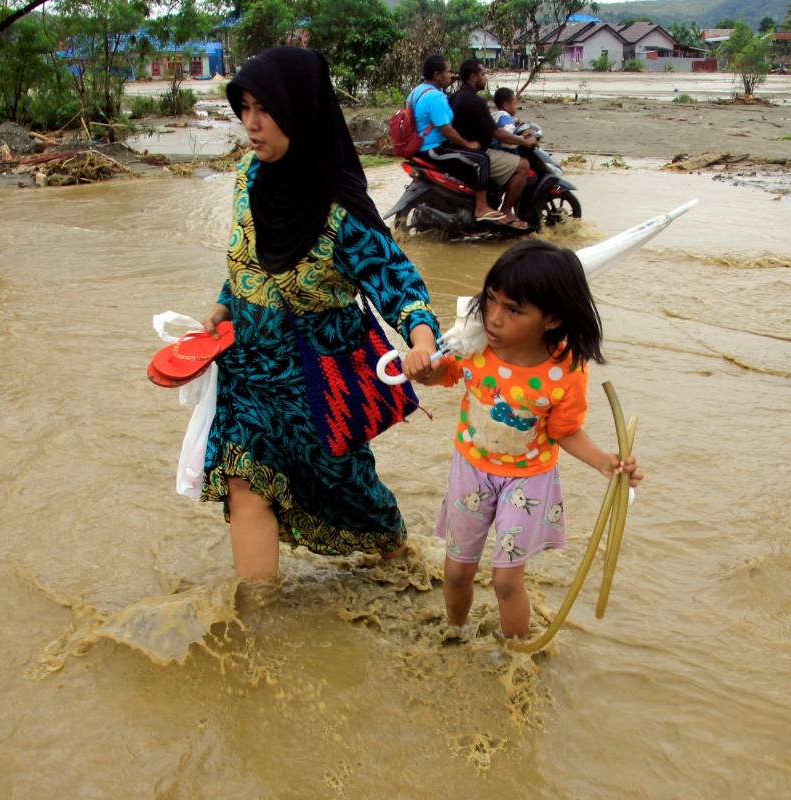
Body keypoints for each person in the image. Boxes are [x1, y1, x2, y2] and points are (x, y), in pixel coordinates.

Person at [200, 47, 441, 578]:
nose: (251, 123)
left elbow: (396, 280)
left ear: (300, 109)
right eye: (243, 107)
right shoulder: (249, 177)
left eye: (265, 108)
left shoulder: (339, 210)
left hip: (316, 385)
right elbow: (249, 251)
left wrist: (422, 340)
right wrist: (224, 302)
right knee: (245, 481)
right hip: (249, 372)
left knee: (354, 494)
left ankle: (400, 559)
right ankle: (255, 624)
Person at [413, 240, 643, 638]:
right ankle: (455, 635)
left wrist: (605, 462)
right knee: (456, 571)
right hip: (471, 472)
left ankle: (513, 659)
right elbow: (442, 374)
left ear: (551, 319)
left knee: (505, 581)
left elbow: (564, 431)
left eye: (513, 309)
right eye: (490, 300)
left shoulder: (566, 369)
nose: (494, 319)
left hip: (528, 480)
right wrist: (419, 366)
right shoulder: (475, 344)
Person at [406, 55, 502, 224]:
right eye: (448, 72)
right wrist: (468, 144)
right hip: (433, 149)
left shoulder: (417, 91)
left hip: (419, 148)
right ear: (437, 75)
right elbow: (447, 130)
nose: (451, 76)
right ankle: (481, 208)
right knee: (481, 160)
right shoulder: (435, 97)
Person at [449, 59, 538, 230]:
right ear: (473, 77)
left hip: (459, 150)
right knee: (523, 166)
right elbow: (497, 132)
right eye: (483, 74)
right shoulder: (476, 101)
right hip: (478, 152)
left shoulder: (456, 97)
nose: (485, 78)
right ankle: (507, 211)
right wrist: (523, 141)